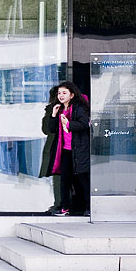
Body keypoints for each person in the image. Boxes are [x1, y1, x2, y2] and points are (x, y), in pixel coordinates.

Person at [44, 81, 89, 217]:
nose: (61, 95)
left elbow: (84, 125)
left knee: (82, 179)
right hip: (64, 150)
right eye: (59, 93)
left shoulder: (78, 108)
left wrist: (68, 124)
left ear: (72, 95)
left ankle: (89, 208)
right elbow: (51, 130)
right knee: (65, 180)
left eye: (64, 93)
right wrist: (53, 114)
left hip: (79, 149)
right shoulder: (58, 108)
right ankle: (64, 207)